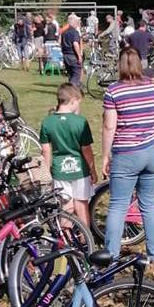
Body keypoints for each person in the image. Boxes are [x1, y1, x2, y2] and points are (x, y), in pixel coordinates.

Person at [102, 47, 154, 262]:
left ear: (119, 64)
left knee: (118, 205)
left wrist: (105, 155)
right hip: (153, 150)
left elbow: (110, 126)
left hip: (126, 153)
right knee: (148, 203)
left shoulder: (113, 91)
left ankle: (110, 256)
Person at [40, 83, 97, 227]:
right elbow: (86, 149)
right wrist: (92, 170)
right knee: (81, 205)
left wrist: (47, 172)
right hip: (80, 170)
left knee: (66, 205)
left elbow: (46, 151)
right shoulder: (80, 122)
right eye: (78, 102)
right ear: (72, 100)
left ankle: (67, 239)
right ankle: (86, 239)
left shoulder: (47, 122)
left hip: (60, 171)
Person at [61, 14, 83, 87]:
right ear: (73, 22)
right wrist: (79, 56)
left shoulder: (64, 32)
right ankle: (70, 90)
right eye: (77, 21)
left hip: (65, 56)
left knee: (71, 75)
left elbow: (61, 44)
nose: (78, 23)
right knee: (76, 76)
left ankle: (71, 91)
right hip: (73, 55)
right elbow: (75, 44)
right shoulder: (74, 32)